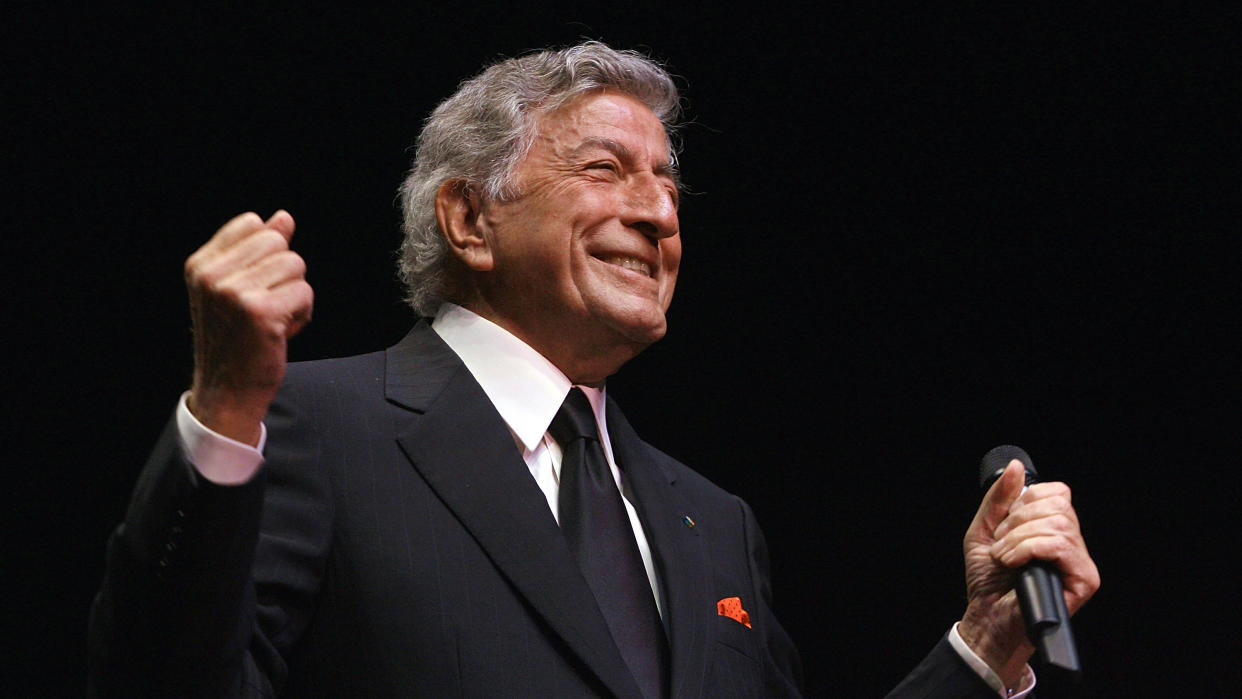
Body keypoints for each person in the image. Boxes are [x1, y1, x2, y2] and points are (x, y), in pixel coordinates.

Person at [88, 42, 1098, 698]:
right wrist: (222, 411)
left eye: (667, 184)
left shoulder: (713, 525)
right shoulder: (313, 429)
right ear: (469, 220)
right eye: (607, 169)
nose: (659, 213)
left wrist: (984, 646)